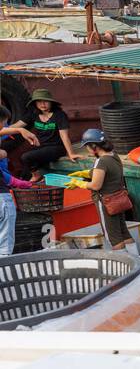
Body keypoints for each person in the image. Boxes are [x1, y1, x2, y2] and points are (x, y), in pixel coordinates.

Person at [76, 128, 131, 250]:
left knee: (113, 238)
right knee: (123, 231)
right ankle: (137, 258)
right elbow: (108, 173)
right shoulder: (113, 155)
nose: (87, 149)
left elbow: (96, 185)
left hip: (106, 202)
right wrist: (87, 173)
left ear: (94, 146)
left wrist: (79, 183)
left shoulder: (101, 161)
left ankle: (126, 266)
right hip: (119, 199)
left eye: (87, 146)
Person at [4, 89, 77, 177]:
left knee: (26, 157)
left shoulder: (59, 115)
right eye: (39, 102)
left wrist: (71, 153)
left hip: (56, 147)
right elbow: (16, 126)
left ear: (51, 102)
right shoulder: (33, 113)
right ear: (35, 103)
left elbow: (64, 136)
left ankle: (34, 177)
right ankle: (27, 179)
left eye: (45, 101)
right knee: (24, 159)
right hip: (41, 147)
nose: (42, 104)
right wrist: (3, 130)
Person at [0, 111, 34, 257]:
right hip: (1, 198)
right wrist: (17, 182)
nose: (3, 128)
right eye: (3, 123)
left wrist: (20, 128)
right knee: (4, 251)